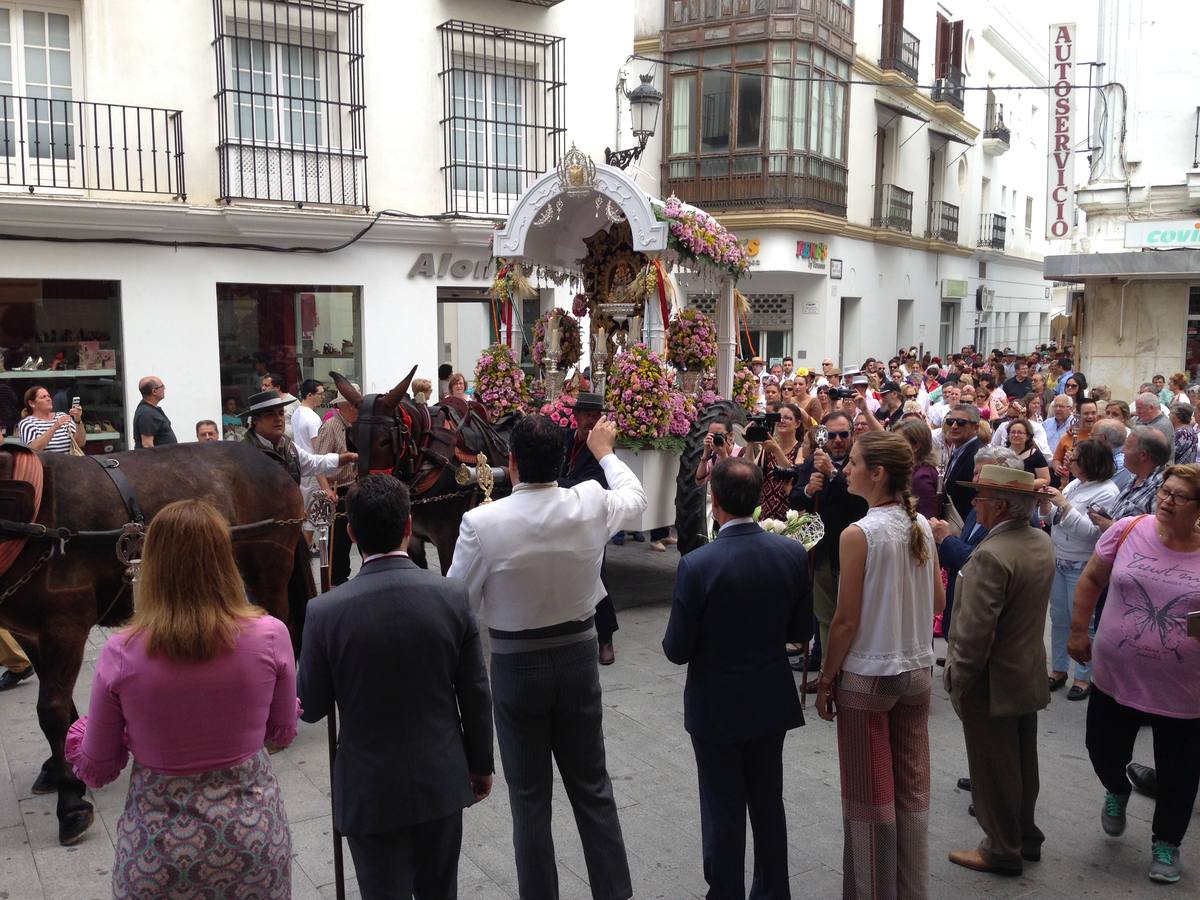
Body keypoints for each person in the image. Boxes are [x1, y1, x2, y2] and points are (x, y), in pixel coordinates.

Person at [448, 414, 645, 900]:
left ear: (510, 463)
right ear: (561, 463)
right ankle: (615, 893)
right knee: (593, 789)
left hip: (517, 666)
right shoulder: (589, 502)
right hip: (578, 656)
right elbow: (636, 499)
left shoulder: (482, 522)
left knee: (530, 801)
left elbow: (457, 605)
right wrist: (604, 452)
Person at [64, 500, 297, 896]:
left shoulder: (122, 651)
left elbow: (97, 765)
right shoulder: (271, 634)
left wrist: (102, 729)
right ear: (225, 558)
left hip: (159, 852)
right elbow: (282, 729)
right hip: (254, 841)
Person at [298, 474, 494, 899]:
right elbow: (475, 692)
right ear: (409, 525)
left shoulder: (325, 612)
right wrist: (481, 764)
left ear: (350, 534)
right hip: (440, 776)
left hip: (368, 787)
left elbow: (311, 705)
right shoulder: (451, 596)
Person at [663, 457, 812, 900]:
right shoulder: (789, 552)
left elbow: (676, 649)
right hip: (768, 698)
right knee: (768, 801)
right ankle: (773, 891)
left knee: (723, 806)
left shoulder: (698, 564)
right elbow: (801, 632)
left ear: (715, 501)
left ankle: (725, 891)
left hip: (718, 704)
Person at [816, 432, 944, 899]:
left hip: (869, 676)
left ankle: (873, 891)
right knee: (912, 793)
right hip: (917, 671)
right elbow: (938, 598)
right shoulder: (921, 526)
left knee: (870, 801)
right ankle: (912, 890)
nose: (845, 469)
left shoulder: (860, 533)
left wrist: (827, 678)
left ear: (878, 473)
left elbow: (845, 620)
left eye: (852, 463)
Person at [1067, 464, 1200, 885]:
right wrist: (1077, 630)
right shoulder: (1128, 529)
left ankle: (1167, 842)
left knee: (1179, 772)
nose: (1166, 500)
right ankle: (1117, 789)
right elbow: (1091, 578)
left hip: (1184, 690)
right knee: (1102, 750)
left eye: (1179, 496)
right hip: (1114, 674)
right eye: (1165, 490)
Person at [944, 465, 1055, 876]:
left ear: (1002, 506)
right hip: (1025, 672)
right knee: (1023, 762)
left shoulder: (992, 554)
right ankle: (1024, 835)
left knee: (993, 768)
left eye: (981, 498)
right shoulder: (1039, 540)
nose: (974, 504)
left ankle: (1001, 848)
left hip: (993, 680)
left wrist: (959, 680)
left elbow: (974, 635)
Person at [1039, 439, 1119, 701]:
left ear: (1090, 462)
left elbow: (1089, 533)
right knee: (1060, 617)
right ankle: (1059, 668)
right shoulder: (1075, 484)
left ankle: (1083, 675)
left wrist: (1063, 503)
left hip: (1083, 563)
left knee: (1083, 621)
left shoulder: (1107, 491)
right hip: (1060, 559)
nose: (1069, 460)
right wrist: (1045, 504)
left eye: (1075, 458)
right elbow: (1054, 521)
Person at [787, 412, 869, 658]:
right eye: (831, 435)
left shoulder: (863, 462)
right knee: (825, 615)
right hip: (822, 550)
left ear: (852, 434)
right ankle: (827, 672)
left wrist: (833, 474)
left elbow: (860, 502)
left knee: (853, 617)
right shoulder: (814, 460)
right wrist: (810, 490)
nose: (837, 440)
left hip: (855, 551)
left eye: (843, 434)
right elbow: (795, 498)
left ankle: (849, 675)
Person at [931, 447, 1024, 655]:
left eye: (982, 473)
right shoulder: (979, 507)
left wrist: (946, 539)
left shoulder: (1013, 518)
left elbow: (981, 562)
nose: (976, 479)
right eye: (974, 473)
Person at [559, 392, 622, 665]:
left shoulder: (603, 448)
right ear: (576, 417)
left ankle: (606, 638)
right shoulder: (563, 439)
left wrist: (555, 483)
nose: (591, 422)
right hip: (561, 516)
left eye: (596, 417)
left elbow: (594, 486)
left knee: (598, 576)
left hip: (590, 519)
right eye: (586, 416)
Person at [314, 384, 361, 585]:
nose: (359, 410)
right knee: (339, 543)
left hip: (358, 486)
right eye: (357, 406)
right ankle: (337, 580)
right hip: (338, 489)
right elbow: (318, 464)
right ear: (347, 406)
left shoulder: (359, 425)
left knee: (362, 534)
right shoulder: (331, 426)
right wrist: (326, 490)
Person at [1088, 426, 1170, 533]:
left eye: (1127, 447)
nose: (1122, 451)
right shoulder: (1136, 477)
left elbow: (1155, 537)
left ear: (1143, 455)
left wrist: (1112, 528)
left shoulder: (1161, 490)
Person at [757, 402, 803, 520]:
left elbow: (794, 476)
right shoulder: (768, 448)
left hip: (789, 516)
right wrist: (750, 441)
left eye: (788, 418)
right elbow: (752, 472)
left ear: (797, 423)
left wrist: (776, 450)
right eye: (779, 418)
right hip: (765, 514)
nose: (782, 421)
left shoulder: (801, 449)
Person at [942, 404, 983, 522]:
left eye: (961, 422)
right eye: (950, 421)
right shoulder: (957, 450)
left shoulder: (978, 455)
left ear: (975, 427)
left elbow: (974, 499)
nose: (954, 426)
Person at [894, 418, 940, 518]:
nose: (892, 446)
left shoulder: (922, 478)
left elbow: (927, 522)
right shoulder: (914, 471)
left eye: (898, 442)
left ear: (915, 446)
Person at [18, 385, 85, 452]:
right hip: (44, 462)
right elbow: (32, 450)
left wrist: (78, 420)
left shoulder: (62, 416)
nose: (48, 399)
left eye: (49, 396)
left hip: (68, 461)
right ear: (32, 403)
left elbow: (80, 443)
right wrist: (54, 427)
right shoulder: (27, 423)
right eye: (43, 397)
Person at [132, 375, 177, 448]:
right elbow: (147, 445)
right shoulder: (147, 413)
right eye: (162, 386)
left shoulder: (151, 410)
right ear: (154, 391)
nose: (164, 388)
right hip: (158, 459)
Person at [1005, 418, 1051, 488]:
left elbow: (1045, 480)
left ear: (1028, 436)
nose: (1016, 435)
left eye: (1020, 432)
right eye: (1013, 432)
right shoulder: (1001, 453)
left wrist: (1021, 484)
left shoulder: (1036, 456)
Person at [1134, 392, 1176, 464]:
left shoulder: (1162, 426)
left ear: (1151, 408)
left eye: (1139, 408)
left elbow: (1154, 455)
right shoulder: (1143, 420)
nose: (1137, 412)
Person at [259, 373, 299, 439]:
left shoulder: (293, 401)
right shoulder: (259, 402)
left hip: (289, 444)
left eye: (266, 385)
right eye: (262, 385)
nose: (263, 388)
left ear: (277, 387)